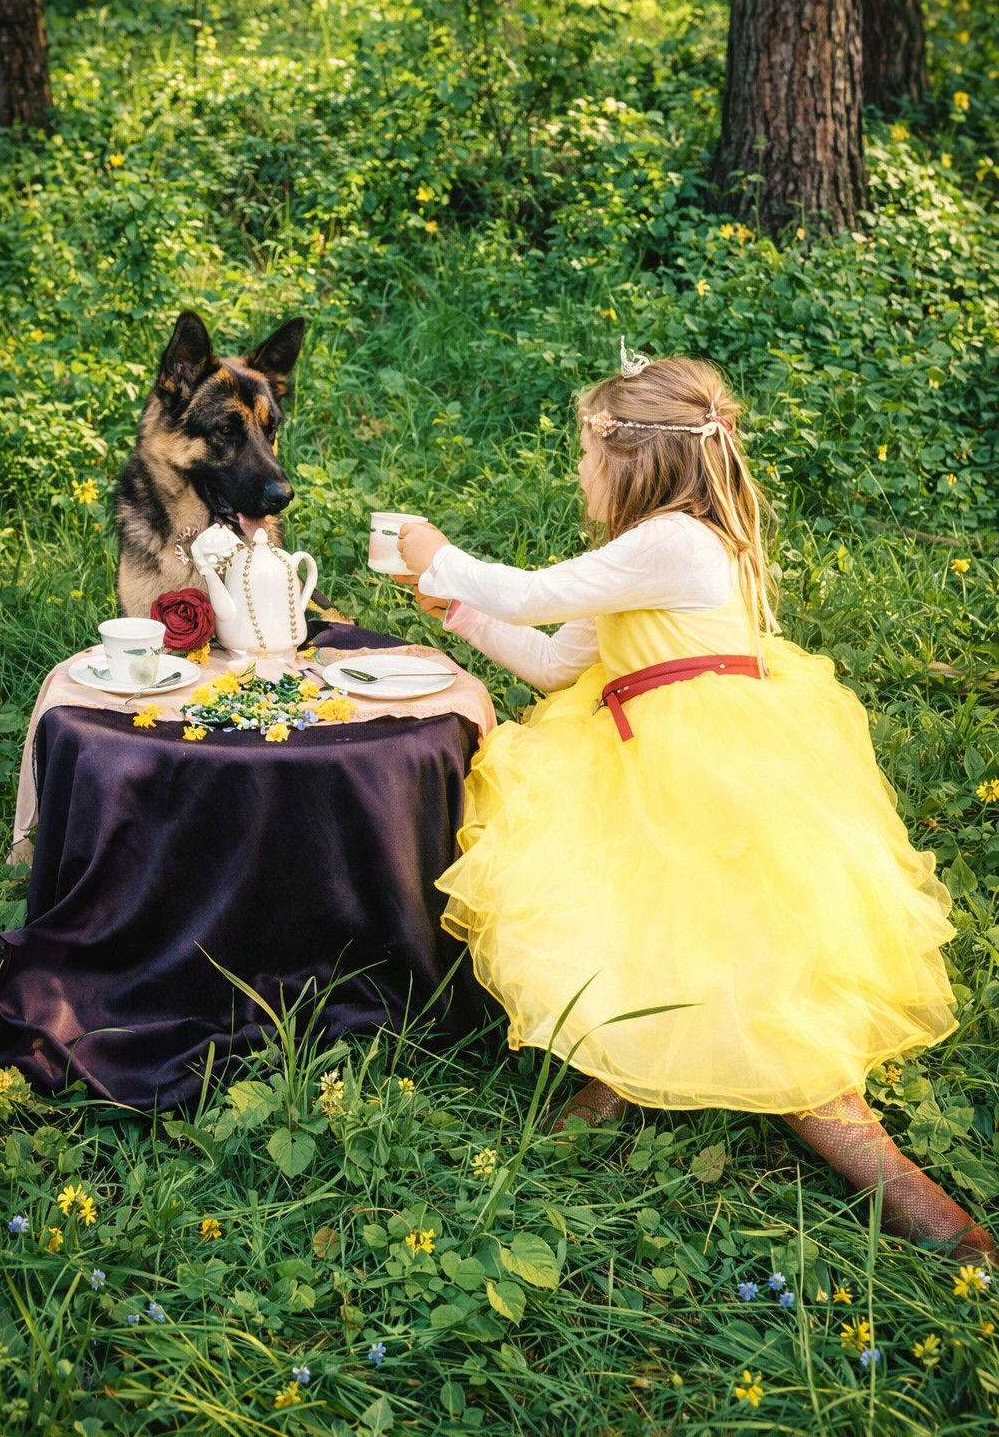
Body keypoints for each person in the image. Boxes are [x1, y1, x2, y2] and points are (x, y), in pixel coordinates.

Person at [394, 346, 995, 1262]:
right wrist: (458, 618)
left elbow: (525, 593)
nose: (580, 471)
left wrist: (442, 560)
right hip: (645, 754)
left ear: (633, 458)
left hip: (710, 769)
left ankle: (920, 1205)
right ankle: (634, 1074)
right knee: (654, 920)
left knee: (739, 951)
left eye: (587, 453)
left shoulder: (671, 541)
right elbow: (559, 661)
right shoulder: (642, 552)